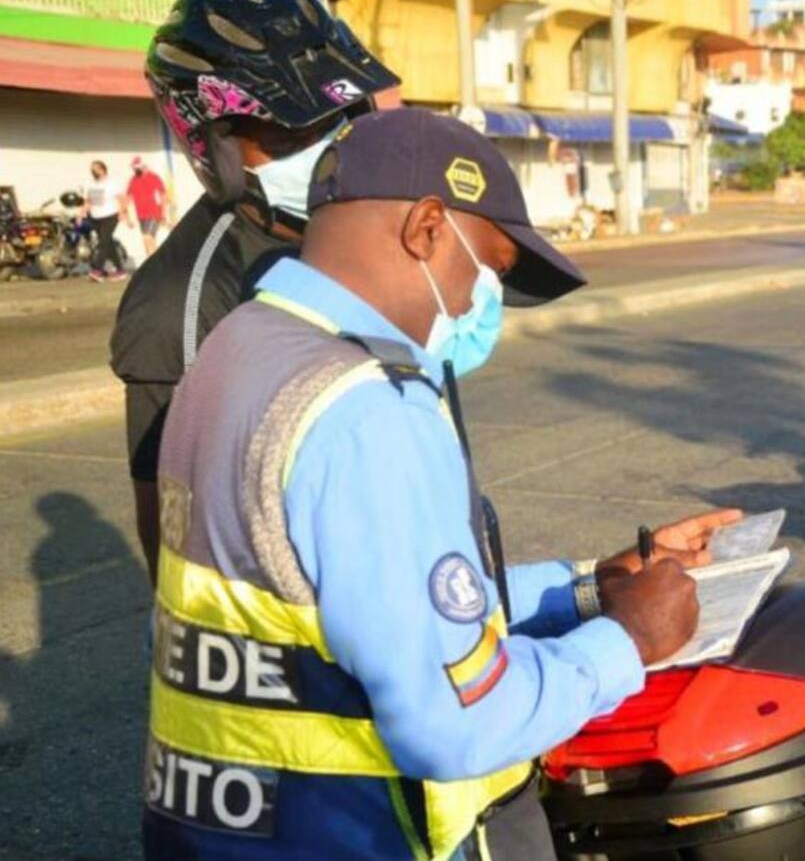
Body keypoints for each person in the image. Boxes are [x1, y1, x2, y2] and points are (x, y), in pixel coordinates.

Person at [141, 106, 742, 860]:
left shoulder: (242, 347)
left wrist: (590, 586)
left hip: (220, 828)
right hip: (351, 834)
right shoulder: (368, 410)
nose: (474, 300)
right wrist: (629, 640)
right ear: (426, 229)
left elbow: (366, 608)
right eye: (484, 267)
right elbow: (454, 720)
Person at [109, 0, 399, 581]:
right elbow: (176, 536)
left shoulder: (359, 229)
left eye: (337, 117)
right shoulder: (179, 303)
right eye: (284, 132)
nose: (325, 145)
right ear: (215, 146)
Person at [82, 160, 128, 282]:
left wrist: (122, 212)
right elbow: (88, 201)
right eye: (92, 169)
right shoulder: (91, 184)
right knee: (107, 243)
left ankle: (98, 270)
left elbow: (122, 198)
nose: (93, 171)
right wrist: (82, 213)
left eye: (96, 168)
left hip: (110, 215)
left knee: (103, 242)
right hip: (96, 217)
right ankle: (120, 270)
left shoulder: (112, 183)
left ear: (103, 169)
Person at [125, 157, 167, 255]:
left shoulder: (154, 177)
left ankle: (157, 263)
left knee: (147, 238)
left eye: (136, 168)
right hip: (141, 215)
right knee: (148, 240)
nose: (135, 170)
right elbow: (127, 198)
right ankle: (152, 263)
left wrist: (163, 214)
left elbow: (163, 195)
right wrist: (127, 218)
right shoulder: (133, 180)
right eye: (133, 168)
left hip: (154, 213)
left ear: (144, 166)